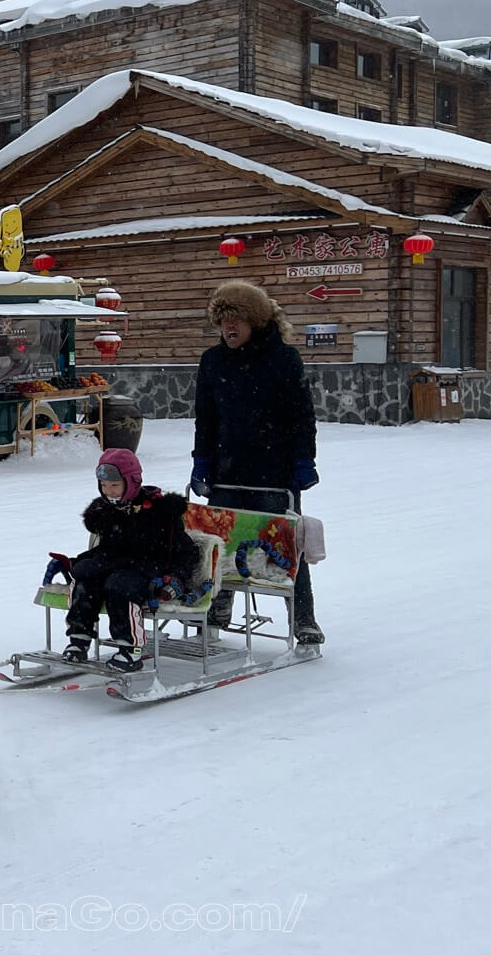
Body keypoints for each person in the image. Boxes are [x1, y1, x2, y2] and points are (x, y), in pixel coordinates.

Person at [190, 280, 324, 645]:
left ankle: (303, 619)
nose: (229, 329)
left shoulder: (283, 360)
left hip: (274, 472)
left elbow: (301, 417)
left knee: (285, 544)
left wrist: (303, 461)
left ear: (256, 321)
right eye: (223, 322)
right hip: (226, 471)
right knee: (218, 543)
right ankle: (215, 610)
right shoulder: (213, 360)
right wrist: (201, 460)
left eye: (237, 320)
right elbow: (205, 417)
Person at [63, 448, 204, 673]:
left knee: (120, 587)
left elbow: (185, 551)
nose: (109, 492)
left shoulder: (158, 511)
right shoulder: (108, 511)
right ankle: (79, 640)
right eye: (104, 486)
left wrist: (178, 577)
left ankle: (130, 650)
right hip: (114, 564)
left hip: (148, 568)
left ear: (132, 482)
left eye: (114, 485)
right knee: (85, 582)